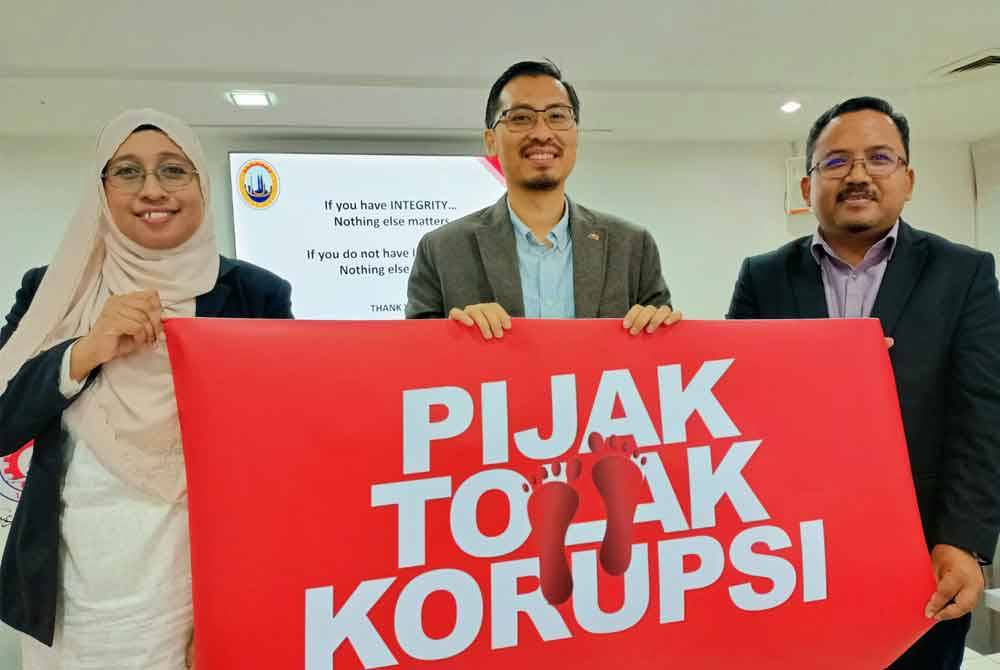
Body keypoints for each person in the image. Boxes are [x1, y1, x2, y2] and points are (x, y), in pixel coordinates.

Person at [0, 109, 293, 669]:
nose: (152, 189)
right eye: (128, 172)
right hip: (66, 599)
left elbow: (276, 455)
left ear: (202, 185)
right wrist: (85, 349)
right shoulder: (52, 290)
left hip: (190, 587)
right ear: (102, 189)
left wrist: (232, 610)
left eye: (173, 171)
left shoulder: (256, 296)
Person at [727, 96, 1000, 669]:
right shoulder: (763, 276)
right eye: (835, 162)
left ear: (908, 178)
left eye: (880, 158)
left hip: (920, 555)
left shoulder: (965, 272)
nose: (857, 175)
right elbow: (737, 405)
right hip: (787, 552)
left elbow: (983, 414)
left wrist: (965, 542)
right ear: (807, 187)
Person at [406, 60, 680, 336]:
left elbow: (665, 362)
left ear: (575, 134)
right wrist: (456, 336)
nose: (541, 133)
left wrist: (657, 330)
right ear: (491, 141)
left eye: (557, 116)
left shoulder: (633, 247)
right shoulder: (442, 250)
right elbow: (417, 362)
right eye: (521, 118)